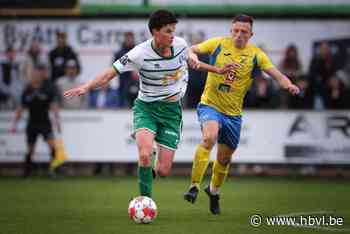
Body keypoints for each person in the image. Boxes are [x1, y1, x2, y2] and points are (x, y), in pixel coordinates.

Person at [64, 9, 234, 198]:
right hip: (146, 108)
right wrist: (86, 87)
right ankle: (145, 201)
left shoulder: (180, 45)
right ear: (155, 31)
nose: (172, 35)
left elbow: (194, 62)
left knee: (163, 171)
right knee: (144, 155)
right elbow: (109, 74)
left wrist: (217, 70)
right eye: (168, 31)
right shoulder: (139, 53)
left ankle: (150, 157)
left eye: (173, 31)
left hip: (171, 111)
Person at [183, 14, 300, 215]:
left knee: (224, 159)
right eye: (235, 30)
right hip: (210, 105)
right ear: (231, 30)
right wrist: (193, 56)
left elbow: (276, 74)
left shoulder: (256, 54)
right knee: (209, 137)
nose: (238, 35)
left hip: (233, 115)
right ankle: (194, 186)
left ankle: (214, 191)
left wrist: (288, 85)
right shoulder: (218, 43)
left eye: (243, 32)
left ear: (251, 34)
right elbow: (192, 49)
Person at [11, 63, 61, 177]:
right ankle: (27, 172)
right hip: (32, 124)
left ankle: (54, 170)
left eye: (38, 75)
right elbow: (21, 108)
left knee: (52, 146)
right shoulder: (27, 90)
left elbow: (54, 106)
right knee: (30, 150)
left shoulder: (47, 89)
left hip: (45, 123)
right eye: (34, 75)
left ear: (41, 77)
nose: (35, 77)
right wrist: (15, 124)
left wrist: (57, 121)